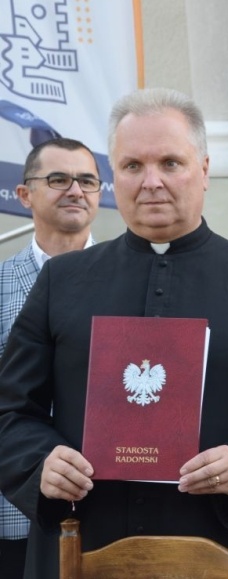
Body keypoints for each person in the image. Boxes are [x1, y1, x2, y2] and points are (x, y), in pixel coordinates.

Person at [0, 88, 228, 579]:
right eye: (133, 165)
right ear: (114, 176)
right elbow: (11, 410)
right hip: (85, 542)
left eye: (170, 163)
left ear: (204, 169)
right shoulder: (62, 281)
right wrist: (41, 462)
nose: (151, 182)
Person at [0, 138, 100, 579]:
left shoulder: (139, 282)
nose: (75, 190)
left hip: (107, 509)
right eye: (58, 179)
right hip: (13, 512)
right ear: (24, 195)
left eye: (87, 180)